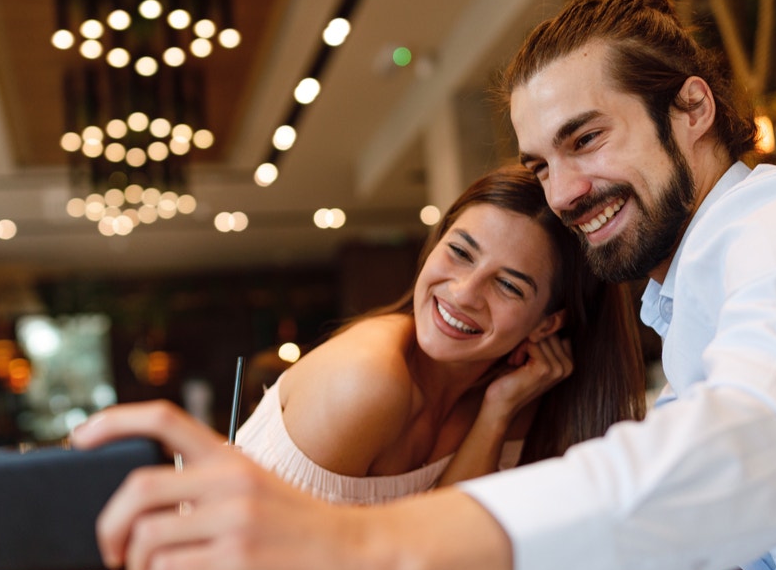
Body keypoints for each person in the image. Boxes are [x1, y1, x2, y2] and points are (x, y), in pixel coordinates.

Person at [70, 0, 776, 570]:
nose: (563, 191)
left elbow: (758, 449)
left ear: (692, 108)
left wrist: (361, 551)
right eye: (539, 160)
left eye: (586, 139)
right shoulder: (695, 304)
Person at [230, 164, 645, 504]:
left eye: (508, 286)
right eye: (460, 252)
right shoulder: (364, 382)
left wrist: (496, 412)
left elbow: (443, 552)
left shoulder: (522, 391)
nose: (464, 293)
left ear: (547, 323)